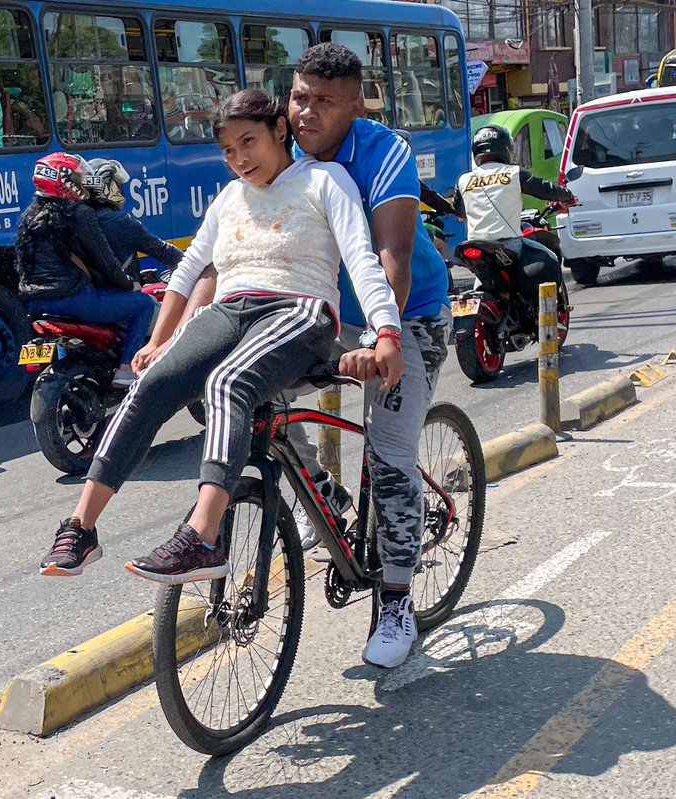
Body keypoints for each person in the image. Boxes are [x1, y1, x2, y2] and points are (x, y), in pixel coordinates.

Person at [37, 88, 404, 588]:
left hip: (300, 311)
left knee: (227, 383)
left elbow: (361, 258)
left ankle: (204, 537)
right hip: (231, 311)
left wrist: (386, 330)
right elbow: (189, 271)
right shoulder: (229, 197)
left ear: (280, 130)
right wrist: (160, 341)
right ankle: (81, 528)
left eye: (248, 142)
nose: (239, 159)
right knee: (151, 383)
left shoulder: (324, 179)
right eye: (229, 151)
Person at [179, 44, 455, 669]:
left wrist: (378, 338)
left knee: (388, 456)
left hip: (404, 315)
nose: (306, 112)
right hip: (320, 315)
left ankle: (395, 601)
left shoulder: (384, 154)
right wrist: (190, 334)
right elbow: (231, 253)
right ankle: (323, 497)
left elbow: (393, 261)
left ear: (356, 106)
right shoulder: (279, 154)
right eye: (300, 97)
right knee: (246, 397)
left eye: (325, 102)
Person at [15, 152, 155, 389]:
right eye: (79, 179)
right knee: (143, 305)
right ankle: (124, 369)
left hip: (35, 304)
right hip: (73, 299)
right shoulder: (80, 214)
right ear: (65, 182)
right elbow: (104, 261)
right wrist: (129, 284)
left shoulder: (29, 217)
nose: (84, 185)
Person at [454, 124, 575, 319]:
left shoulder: (463, 180)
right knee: (550, 257)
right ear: (506, 148)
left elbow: (459, 212)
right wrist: (567, 195)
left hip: (472, 245)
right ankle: (545, 317)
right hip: (509, 244)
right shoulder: (513, 173)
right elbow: (546, 189)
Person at [81, 158, 184, 282]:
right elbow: (164, 252)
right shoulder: (120, 222)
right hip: (117, 294)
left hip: (88, 292)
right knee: (153, 301)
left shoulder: (77, 216)